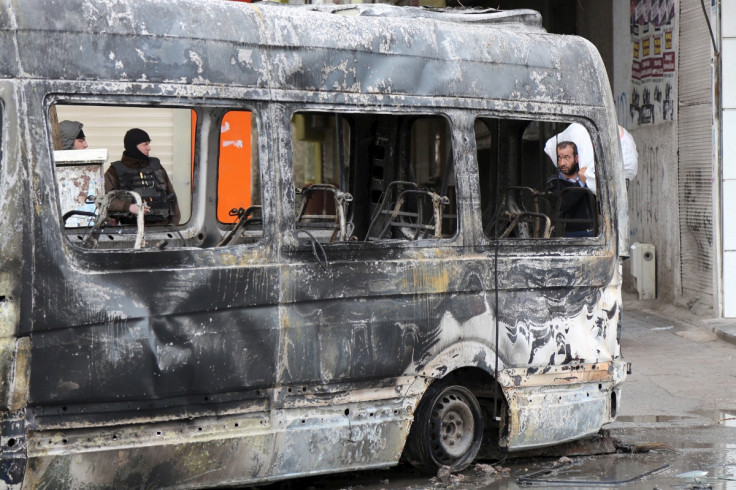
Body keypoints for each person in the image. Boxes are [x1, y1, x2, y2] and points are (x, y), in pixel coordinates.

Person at [103, 128, 180, 225]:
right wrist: (128, 207)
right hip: (129, 231)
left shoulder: (156, 167)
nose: (149, 148)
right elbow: (105, 200)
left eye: (149, 144)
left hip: (161, 229)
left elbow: (171, 197)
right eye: (145, 144)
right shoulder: (115, 171)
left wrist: (173, 227)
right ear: (133, 147)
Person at [546, 141, 595, 237]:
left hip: (595, 232)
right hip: (572, 234)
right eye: (559, 158)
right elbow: (562, 204)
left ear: (576, 158)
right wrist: (580, 183)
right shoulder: (554, 182)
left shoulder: (588, 177)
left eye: (567, 157)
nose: (562, 163)